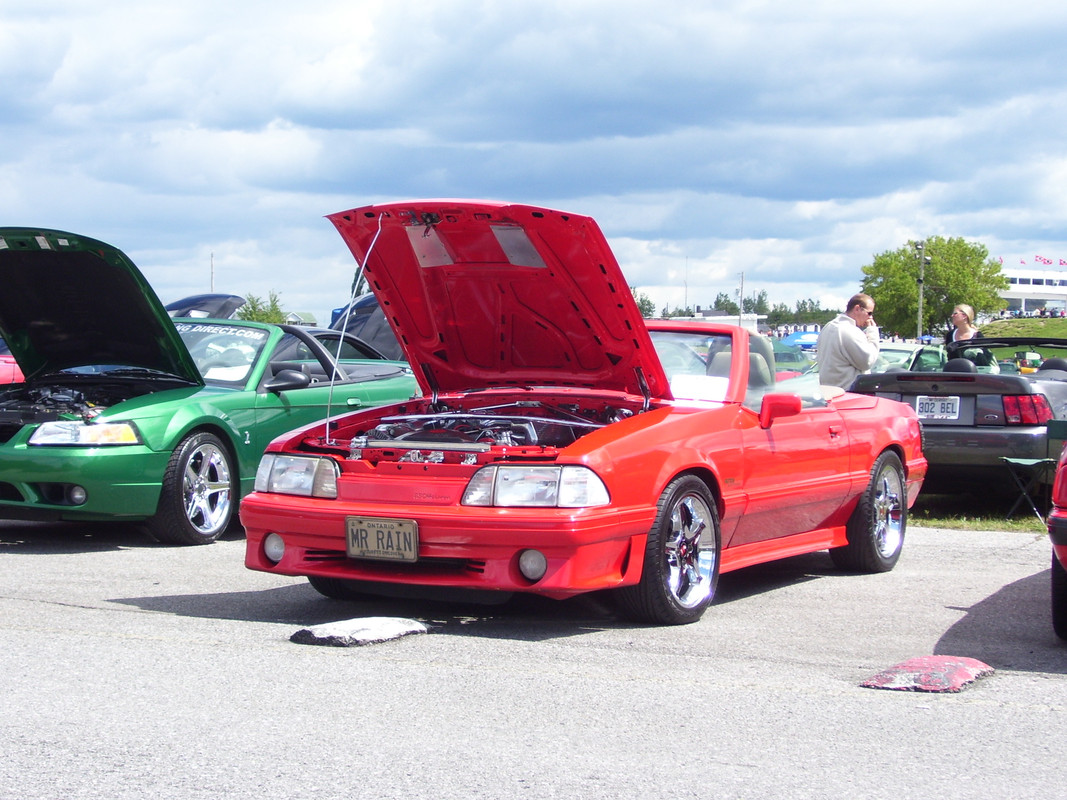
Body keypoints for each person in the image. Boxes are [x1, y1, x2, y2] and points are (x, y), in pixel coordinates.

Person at [816, 293, 880, 390]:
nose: (870, 318)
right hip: (847, 394)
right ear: (857, 309)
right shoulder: (850, 331)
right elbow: (867, 361)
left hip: (827, 391)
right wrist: (873, 332)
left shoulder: (828, 327)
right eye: (869, 313)